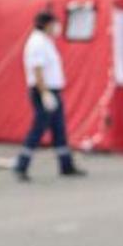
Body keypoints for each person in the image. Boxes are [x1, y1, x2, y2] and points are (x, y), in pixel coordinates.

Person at [14, 10, 85, 181]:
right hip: (43, 91)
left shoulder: (46, 41)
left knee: (59, 129)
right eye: (54, 24)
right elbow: (37, 70)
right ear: (46, 25)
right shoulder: (37, 43)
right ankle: (21, 164)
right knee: (39, 128)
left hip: (52, 91)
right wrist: (45, 93)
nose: (57, 28)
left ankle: (66, 165)